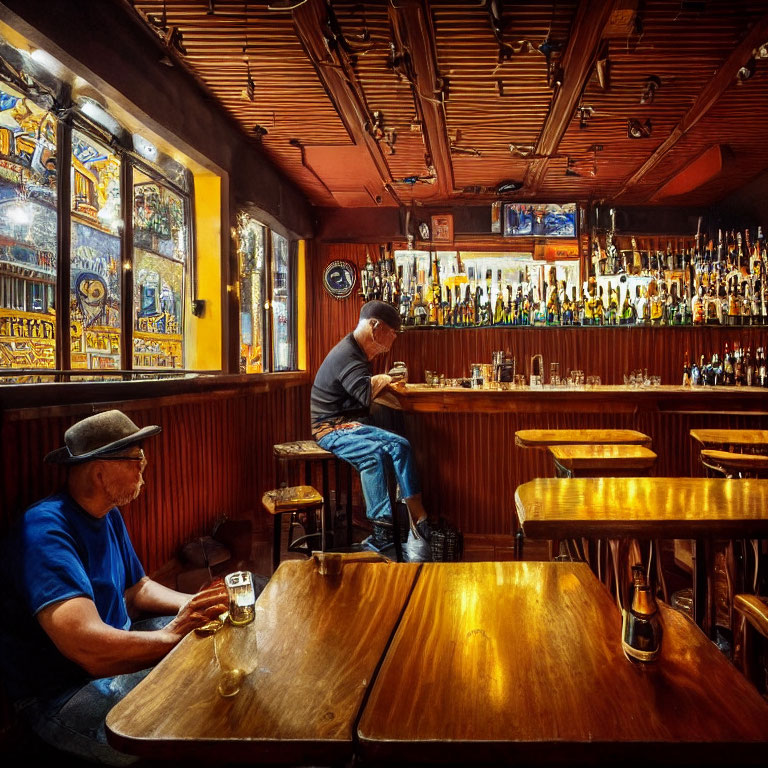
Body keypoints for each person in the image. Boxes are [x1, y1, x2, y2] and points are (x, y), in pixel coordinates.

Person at [0, 410, 238, 765]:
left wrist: (196, 603)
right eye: (136, 458)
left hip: (114, 647)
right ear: (99, 471)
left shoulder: (105, 511)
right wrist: (172, 636)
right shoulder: (45, 531)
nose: (145, 466)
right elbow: (89, 650)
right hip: (63, 691)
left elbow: (138, 587)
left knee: (216, 660)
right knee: (186, 727)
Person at [310, 300, 432, 560]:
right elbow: (364, 394)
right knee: (373, 454)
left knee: (401, 445)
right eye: (392, 333)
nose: (392, 340)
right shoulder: (349, 355)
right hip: (330, 429)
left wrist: (380, 379)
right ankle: (383, 533)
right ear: (375, 326)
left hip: (348, 424)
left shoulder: (357, 352)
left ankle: (417, 520)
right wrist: (384, 378)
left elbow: (360, 394)